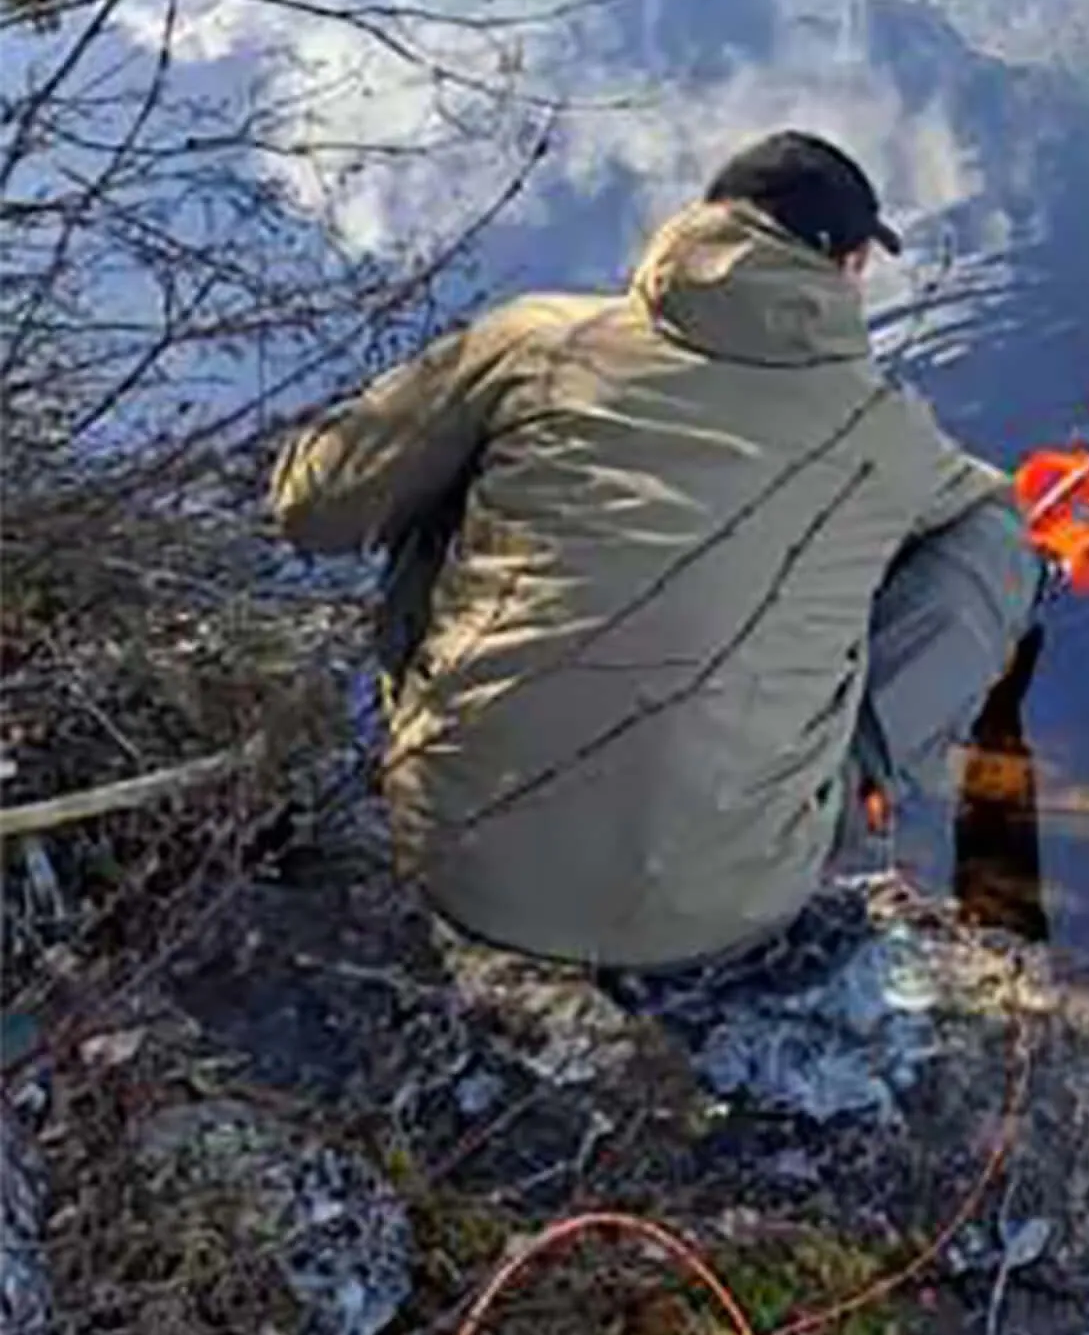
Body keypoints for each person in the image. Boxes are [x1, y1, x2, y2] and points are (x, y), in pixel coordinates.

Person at [268, 131, 1043, 973]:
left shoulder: (540, 342)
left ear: (701, 223)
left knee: (451, 469)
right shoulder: (884, 431)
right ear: (850, 268)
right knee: (992, 539)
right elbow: (986, 511)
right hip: (721, 908)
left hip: (449, 849)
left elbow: (311, 510)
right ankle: (854, 777)